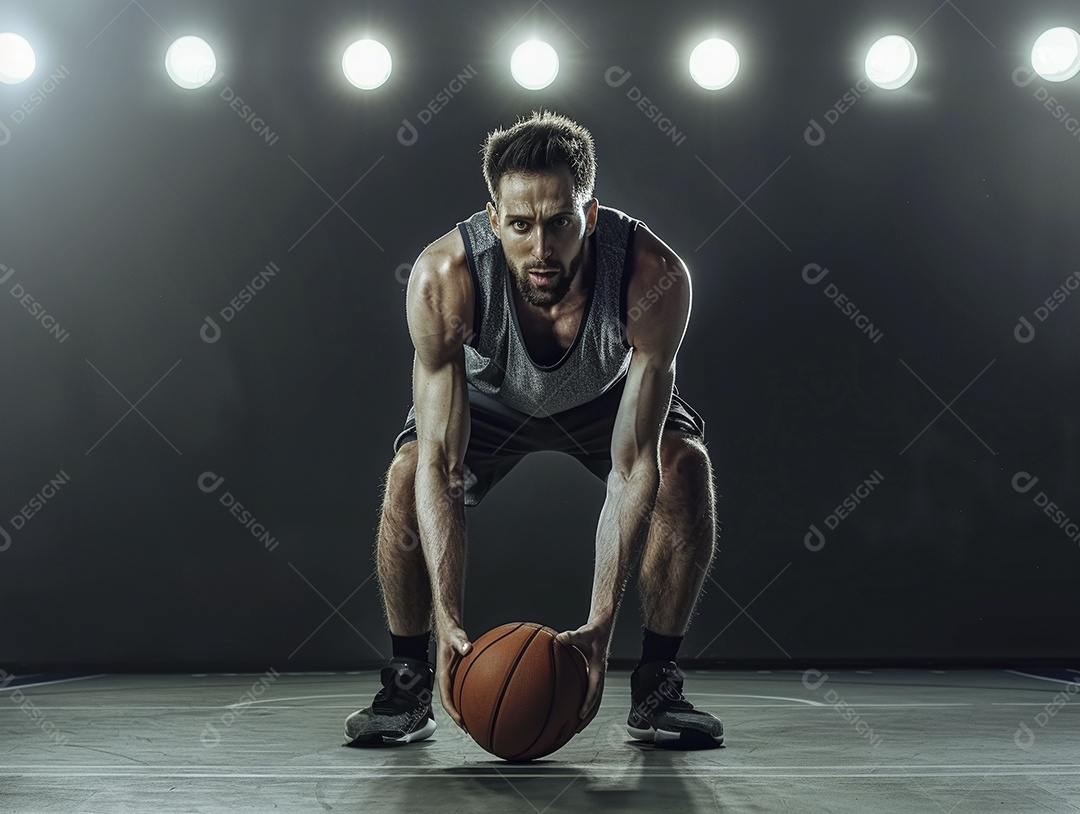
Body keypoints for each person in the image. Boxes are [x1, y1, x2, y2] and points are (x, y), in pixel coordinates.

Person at [344, 110, 723, 749]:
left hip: (604, 399)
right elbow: (439, 464)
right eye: (520, 226)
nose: (541, 249)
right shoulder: (444, 277)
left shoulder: (653, 278)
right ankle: (409, 678)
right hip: (489, 403)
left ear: (591, 215)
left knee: (684, 465)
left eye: (559, 223)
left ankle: (657, 683)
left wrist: (601, 624)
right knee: (409, 472)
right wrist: (448, 621)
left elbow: (633, 469)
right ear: (493, 219)